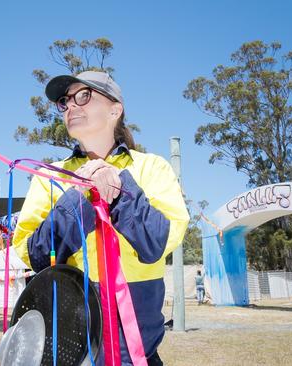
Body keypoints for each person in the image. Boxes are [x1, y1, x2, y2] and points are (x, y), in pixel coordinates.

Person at [13, 71, 189, 365]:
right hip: (71, 351)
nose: (70, 106)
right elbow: (34, 255)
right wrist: (78, 198)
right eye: (65, 101)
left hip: (136, 353)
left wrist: (119, 190)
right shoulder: (49, 177)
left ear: (115, 109)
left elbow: (158, 240)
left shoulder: (152, 168)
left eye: (83, 96)